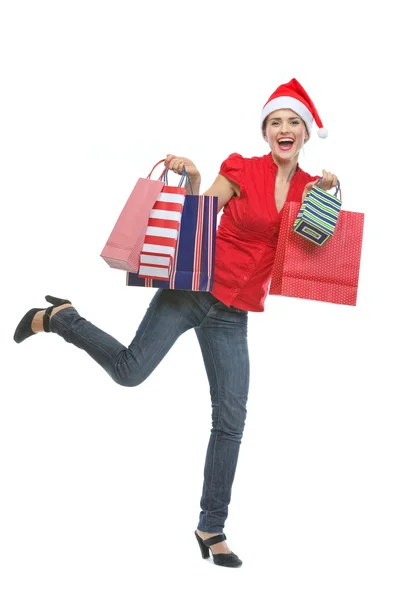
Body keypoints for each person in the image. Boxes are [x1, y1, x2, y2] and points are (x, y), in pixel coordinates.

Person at [14, 78, 338, 568]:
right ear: (266, 131)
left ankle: (211, 527)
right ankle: (62, 318)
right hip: (191, 291)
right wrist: (190, 177)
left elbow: (311, 251)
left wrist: (327, 199)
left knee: (230, 421)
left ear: (306, 134)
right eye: (276, 121)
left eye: (293, 122)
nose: (284, 128)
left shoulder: (310, 188)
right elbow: (196, 216)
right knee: (129, 371)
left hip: (234, 313)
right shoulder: (240, 169)